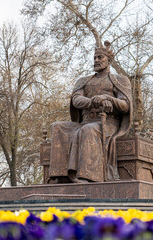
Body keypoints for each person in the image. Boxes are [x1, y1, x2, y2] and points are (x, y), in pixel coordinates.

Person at [48, 41, 132, 183]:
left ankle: (89, 176)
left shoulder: (119, 80)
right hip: (86, 121)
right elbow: (76, 99)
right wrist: (94, 101)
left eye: (100, 57)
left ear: (109, 60)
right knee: (58, 127)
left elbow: (125, 105)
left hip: (108, 123)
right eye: (95, 58)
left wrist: (108, 99)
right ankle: (61, 175)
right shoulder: (84, 80)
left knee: (89, 130)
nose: (96, 60)